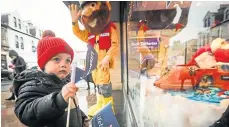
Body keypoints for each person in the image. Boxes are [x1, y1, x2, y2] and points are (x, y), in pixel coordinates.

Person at [14, 30, 89, 127]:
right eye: (56, 59)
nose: (64, 64)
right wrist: (59, 100)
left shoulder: (66, 82)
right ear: (44, 63)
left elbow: (73, 108)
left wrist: (83, 120)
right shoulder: (34, 83)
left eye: (68, 60)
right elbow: (26, 111)